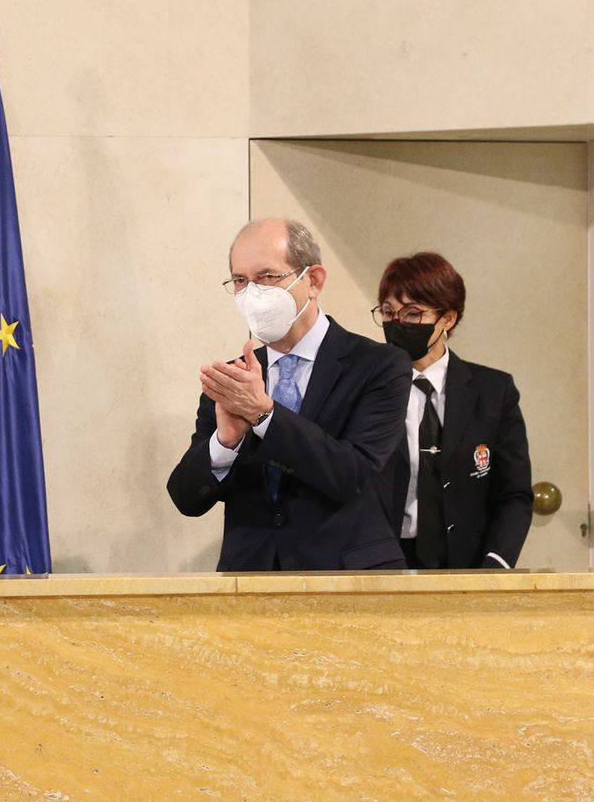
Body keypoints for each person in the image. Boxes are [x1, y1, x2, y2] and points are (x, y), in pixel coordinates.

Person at [166, 218, 411, 570]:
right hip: (250, 582)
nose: (252, 293)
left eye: (267, 276)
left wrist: (265, 416)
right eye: (240, 281)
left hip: (348, 582)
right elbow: (187, 499)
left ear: (313, 281)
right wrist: (225, 443)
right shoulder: (234, 379)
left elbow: (353, 474)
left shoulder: (379, 366)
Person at [374, 252, 531, 569]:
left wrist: (496, 564)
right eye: (389, 312)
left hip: (468, 564)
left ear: (448, 318)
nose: (397, 324)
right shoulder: (367, 386)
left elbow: (513, 493)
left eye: (413, 314)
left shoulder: (494, 391)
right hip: (383, 562)